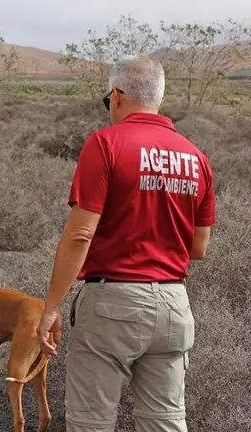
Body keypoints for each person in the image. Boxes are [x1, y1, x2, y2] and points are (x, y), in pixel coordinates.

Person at [36, 56, 216, 431]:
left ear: (117, 96)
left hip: (111, 304)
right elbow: (198, 248)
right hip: (173, 305)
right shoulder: (196, 158)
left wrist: (52, 307)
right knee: (165, 421)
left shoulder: (105, 144)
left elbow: (81, 233)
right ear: (159, 100)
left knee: (91, 421)